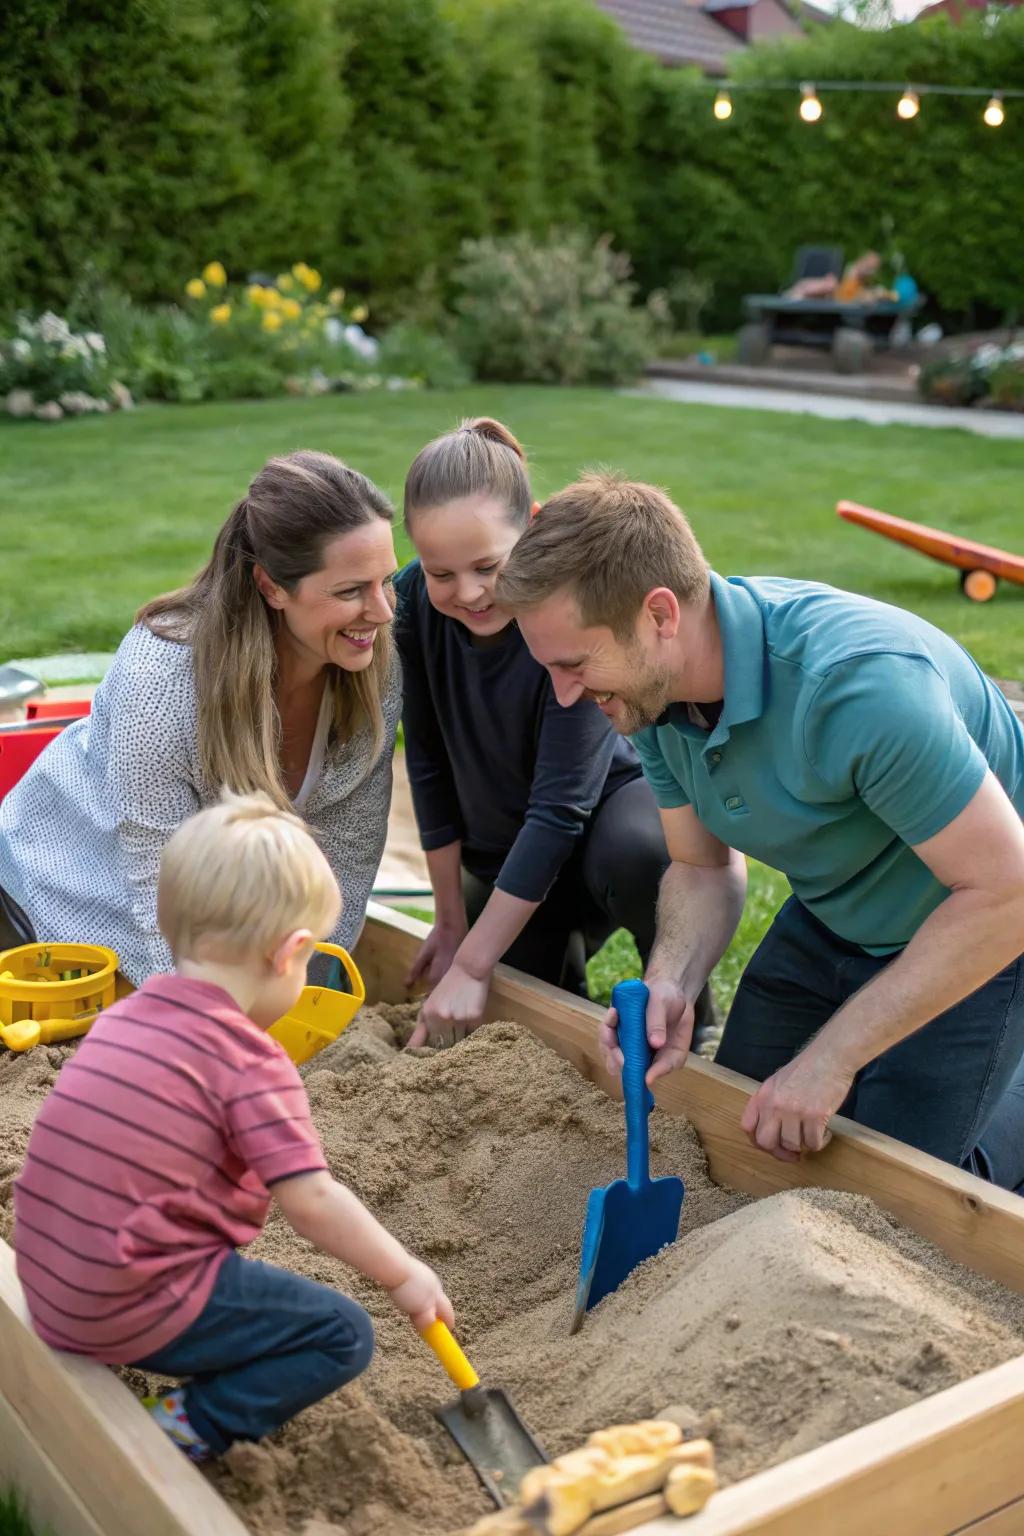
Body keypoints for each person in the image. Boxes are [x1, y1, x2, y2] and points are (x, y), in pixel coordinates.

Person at [493, 472, 1024, 1174]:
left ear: (659, 615)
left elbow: (1006, 891)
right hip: (836, 910)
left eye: (574, 664)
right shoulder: (648, 692)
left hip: (982, 920)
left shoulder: (860, 688)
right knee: (736, 1138)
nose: (564, 693)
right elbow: (701, 866)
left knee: (912, 1192)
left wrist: (833, 1058)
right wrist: (672, 979)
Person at [14, 791, 454, 1462]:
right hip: (121, 1305)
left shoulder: (123, 1017)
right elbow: (311, 1201)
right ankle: (185, 1425)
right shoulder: (249, 1062)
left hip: (48, 1286)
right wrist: (403, 1275)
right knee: (341, 1333)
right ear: (291, 953)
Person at [0, 451, 400, 983]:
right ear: (272, 587)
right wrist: (204, 1025)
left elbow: (346, 860)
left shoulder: (373, 667)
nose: (382, 610)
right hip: (51, 907)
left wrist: (305, 988)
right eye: (351, 590)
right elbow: (156, 883)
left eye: (385, 581)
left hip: (199, 929)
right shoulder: (163, 679)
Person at [394, 418, 712, 1046]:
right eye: (441, 574)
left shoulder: (560, 609)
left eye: (488, 565)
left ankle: (691, 1022)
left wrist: (473, 963)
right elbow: (425, 762)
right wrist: (453, 926)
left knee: (643, 853)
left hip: (601, 827)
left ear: (532, 525)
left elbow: (562, 807)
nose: (470, 592)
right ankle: (564, 984)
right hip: (509, 851)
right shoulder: (411, 607)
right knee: (533, 1018)